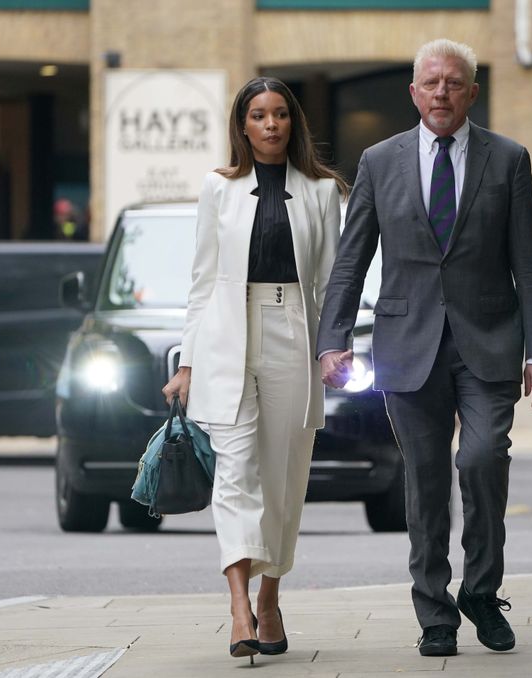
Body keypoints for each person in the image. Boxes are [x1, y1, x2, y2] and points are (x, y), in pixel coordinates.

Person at [317, 38, 532, 657]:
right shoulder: (379, 161)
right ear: (414, 92)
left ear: (472, 93)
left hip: (489, 342)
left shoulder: (509, 160)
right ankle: (435, 614)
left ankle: (482, 590)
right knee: (424, 481)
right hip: (407, 344)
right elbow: (350, 260)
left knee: (482, 460)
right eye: (431, 83)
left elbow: (529, 265)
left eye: (453, 83)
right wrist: (333, 340)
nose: (442, 93)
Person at [162, 76, 346, 663]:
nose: (271, 124)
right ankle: (239, 606)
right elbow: (202, 281)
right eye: (259, 115)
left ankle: (270, 598)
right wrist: (188, 361)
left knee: (284, 477)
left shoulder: (321, 191)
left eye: (280, 114)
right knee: (235, 471)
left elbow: (332, 281)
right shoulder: (218, 188)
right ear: (242, 125)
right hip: (225, 336)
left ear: (293, 122)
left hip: (293, 328)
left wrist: (334, 347)